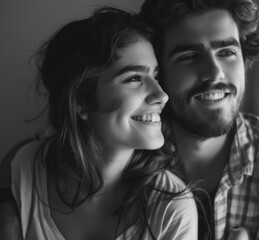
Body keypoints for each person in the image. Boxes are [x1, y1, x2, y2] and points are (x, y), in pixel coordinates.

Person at [0, 7, 198, 240]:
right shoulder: (25, 168)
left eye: (155, 77)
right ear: (81, 101)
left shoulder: (172, 209)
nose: (161, 95)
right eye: (134, 78)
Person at [139, 0, 259, 239]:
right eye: (189, 56)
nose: (214, 73)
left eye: (227, 52)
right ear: (158, 72)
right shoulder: (130, 161)